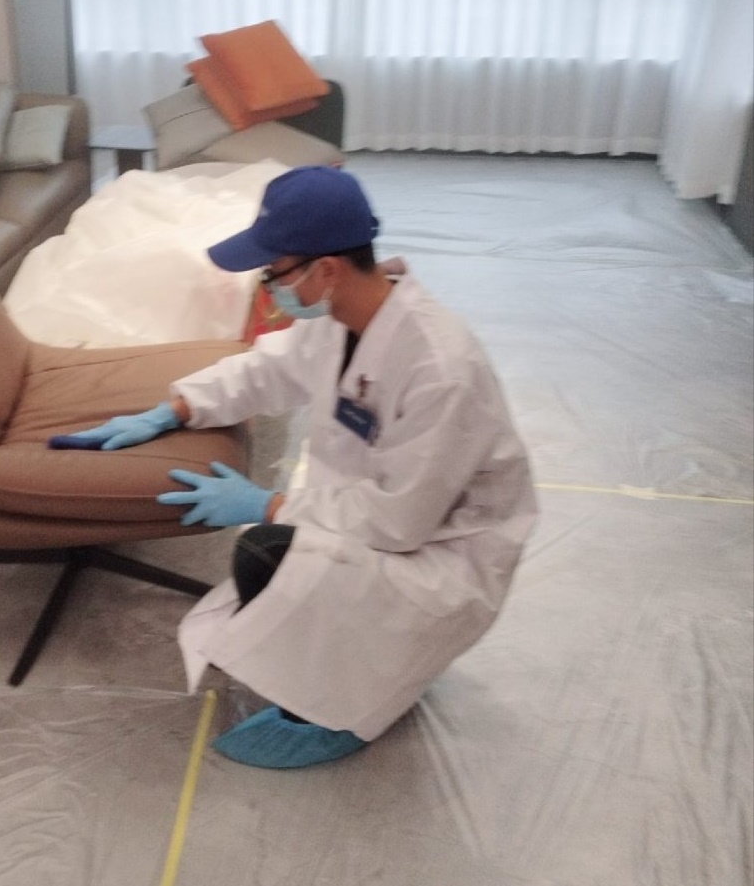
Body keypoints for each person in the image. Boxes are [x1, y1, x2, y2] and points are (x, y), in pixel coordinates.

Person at [57, 165, 538, 769]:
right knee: (283, 560)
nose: (269, 289)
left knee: (268, 555)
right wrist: (172, 410)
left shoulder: (439, 370)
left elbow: (399, 522)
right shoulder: (344, 320)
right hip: (379, 510)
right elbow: (266, 370)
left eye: (274, 273)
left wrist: (270, 505)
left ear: (326, 269)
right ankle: (354, 651)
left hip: (442, 552)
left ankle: (343, 710)